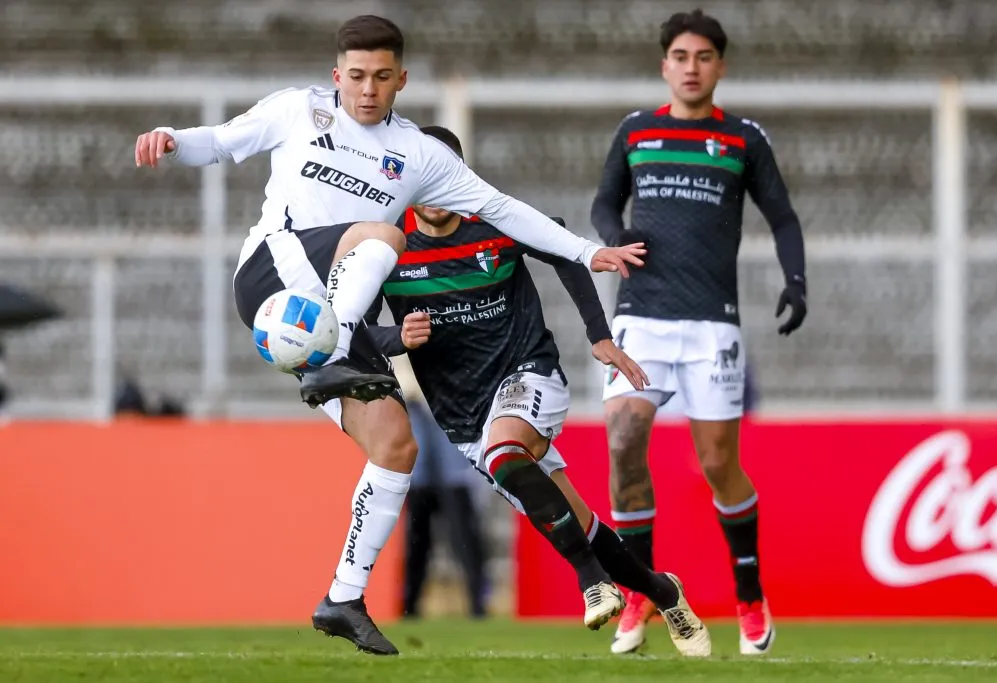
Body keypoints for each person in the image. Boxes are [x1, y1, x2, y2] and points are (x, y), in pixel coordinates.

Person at [133, 15, 645, 656]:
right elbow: (222, 140)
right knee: (385, 236)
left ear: (401, 79)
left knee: (396, 447)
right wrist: (170, 139)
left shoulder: (420, 156)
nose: (367, 90)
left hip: (319, 330)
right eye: (354, 77)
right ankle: (339, 351)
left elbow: (501, 207)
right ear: (335, 76)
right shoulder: (299, 111)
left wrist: (583, 250)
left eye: (381, 77)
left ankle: (342, 598)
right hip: (274, 279)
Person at [367, 125, 711, 657]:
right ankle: (665, 591)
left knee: (507, 450)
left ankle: (591, 580)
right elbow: (356, 329)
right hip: (460, 415)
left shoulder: (496, 219)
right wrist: (395, 336)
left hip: (529, 373)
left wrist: (600, 335)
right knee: (576, 516)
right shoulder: (385, 244)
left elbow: (566, 249)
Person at [591, 10, 807, 656]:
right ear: (665, 65)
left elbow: (784, 217)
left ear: (720, 65)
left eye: (704, 56)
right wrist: (612, 239)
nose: (691, 66)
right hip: (642, 317)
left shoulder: (743, 138)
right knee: (624, 436)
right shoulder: (637, 130)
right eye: (680, 56)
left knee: (718, 463)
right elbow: (605, 202)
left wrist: (795, 280)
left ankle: (748, 595)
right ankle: (642, 591)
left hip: (712, 323)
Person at [394, 356, 489, 620]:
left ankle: (477, 604)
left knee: (463, 537)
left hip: (449, 450)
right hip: (423, 451)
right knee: (418, 538)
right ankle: (410, 605)